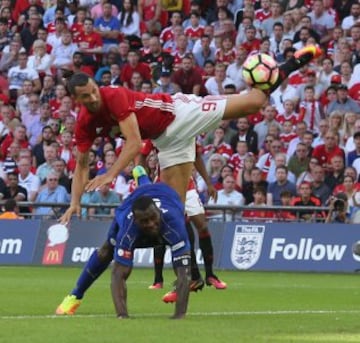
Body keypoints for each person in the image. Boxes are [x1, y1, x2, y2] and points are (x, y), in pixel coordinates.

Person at [59, 45, 322, 225]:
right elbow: (81, 166)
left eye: (94, 90)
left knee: (253, 103)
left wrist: (110, 174)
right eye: (85, 96)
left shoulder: (112, 95)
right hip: (166, 140)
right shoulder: (84, 122)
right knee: (174, 211)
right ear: (76, 99)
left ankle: (289, 64)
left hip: (179, 113)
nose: (93, 97)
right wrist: (74, 202)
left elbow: (135, 143)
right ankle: (187, 276)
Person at [56, 166, 191, 319]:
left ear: (158, 214)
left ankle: (141, 176)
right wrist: (122, 315)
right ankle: (75, 295)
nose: (152, 224)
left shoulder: (174, 224)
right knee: (106, 252)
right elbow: (118, 275)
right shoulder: (128, 229)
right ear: (136, 221)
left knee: (147, 188)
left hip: (166, 194)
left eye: (154, 218)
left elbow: (184, 274)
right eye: (145, 221)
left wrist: (179, 315)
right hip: (133, 202)